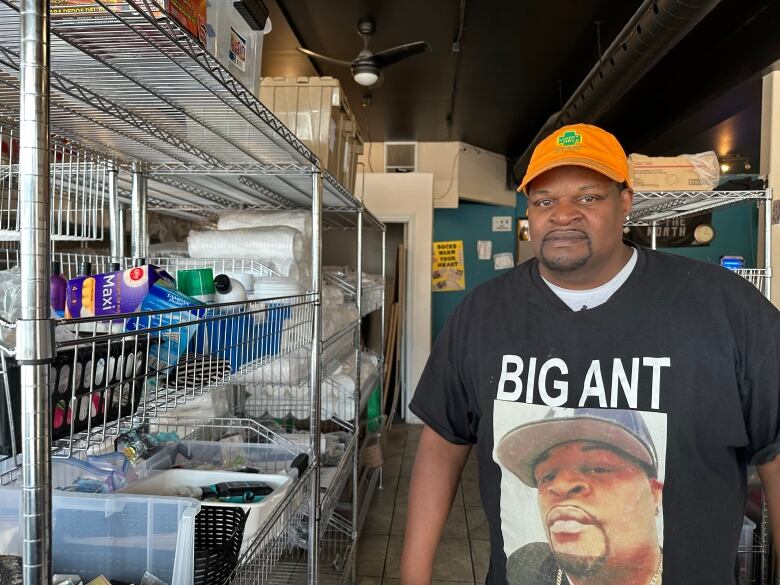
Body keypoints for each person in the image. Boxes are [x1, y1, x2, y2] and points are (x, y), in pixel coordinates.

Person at [400, 123, 780, 585]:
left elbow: (775, 451)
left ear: (625, 203)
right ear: (529, 213)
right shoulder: (483, 312)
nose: (562, 215)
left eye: (587, 197)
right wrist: (414, 575)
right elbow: (443, 441)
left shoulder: (726, 309)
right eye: (544, 201)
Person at [496, 408, 663, 585]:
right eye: (547, 476)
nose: (559, 485)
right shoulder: (525, 566)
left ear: (654, 494)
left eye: (599, 468)